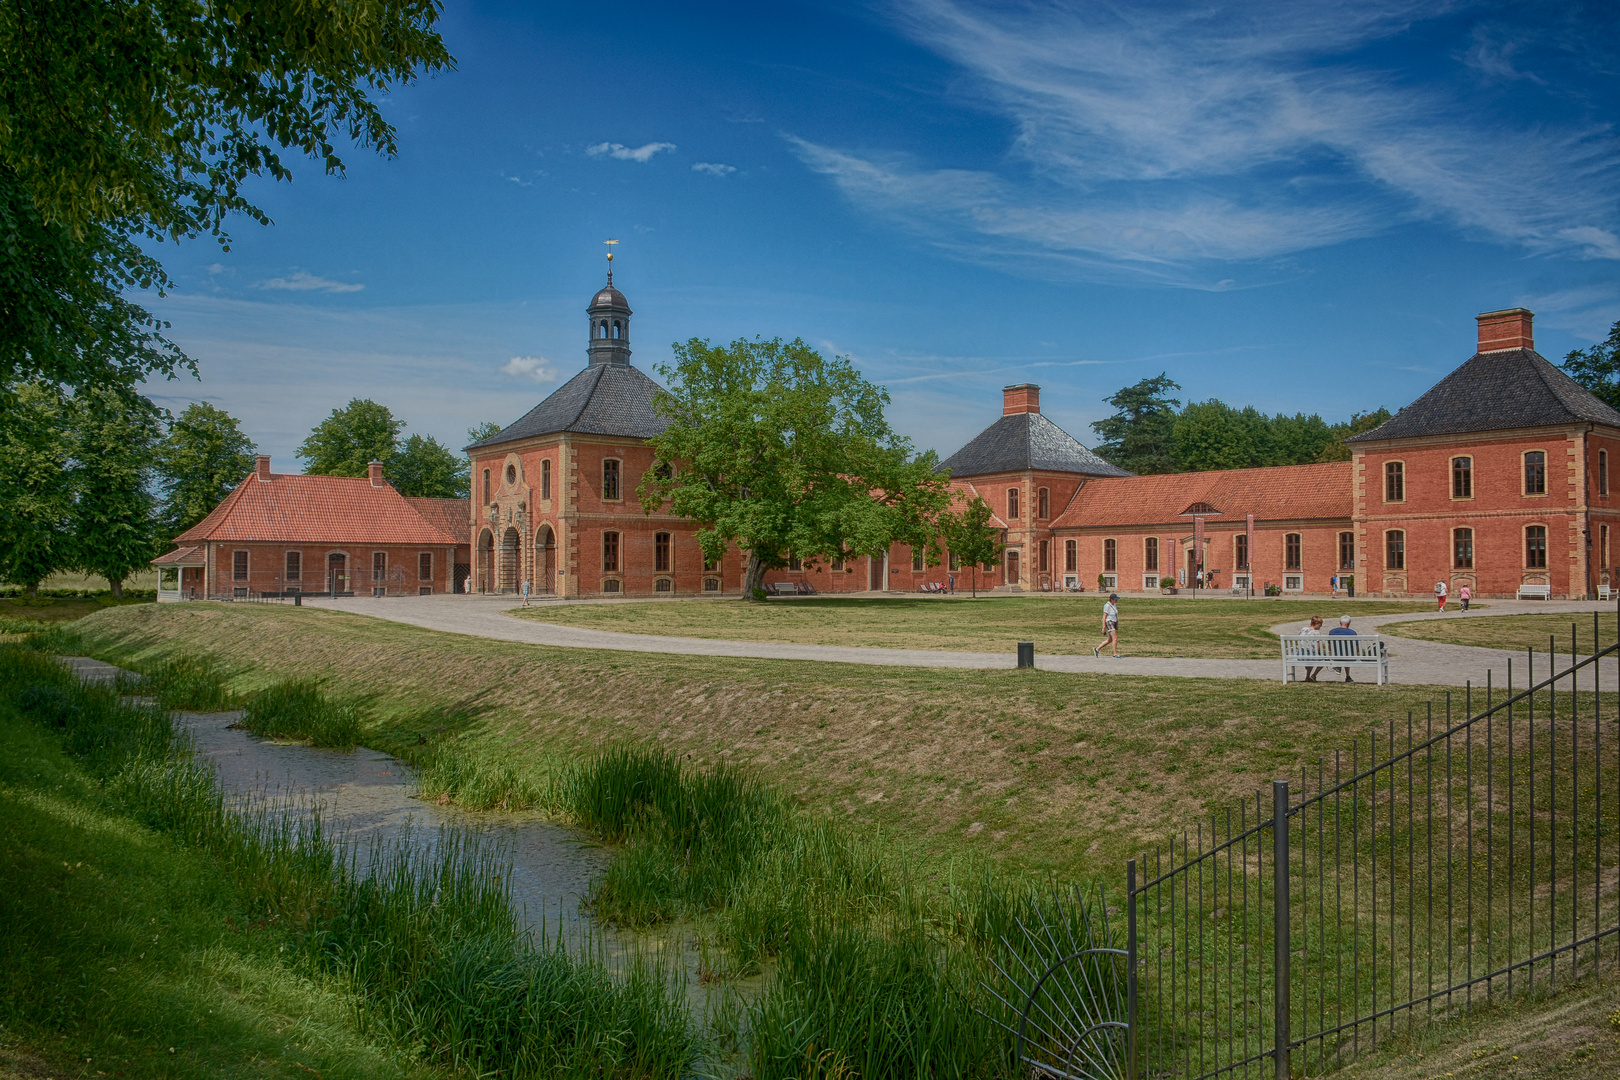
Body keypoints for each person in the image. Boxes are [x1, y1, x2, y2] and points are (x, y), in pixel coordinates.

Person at [1328, 615, 1358, 682]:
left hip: (1336, 656)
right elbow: (1356, 649)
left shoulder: (1332, 632)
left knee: (1342, 653)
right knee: (1347, 654)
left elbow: (1330, 648)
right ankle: (1347, 676)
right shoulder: (1353, 633)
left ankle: (1338, 666)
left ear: (1340, 622)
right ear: (1349, 623)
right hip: (1348, 656)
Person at [1299, 615, 1325, 682]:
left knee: (1311, 655)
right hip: (1309, 655)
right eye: (1320, 624)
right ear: (1317, 623)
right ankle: (1314, 675)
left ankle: (1307, 677)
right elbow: (1318, 647)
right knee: (1325, 659)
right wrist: (1321, 652)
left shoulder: (1303, 629)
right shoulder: (1316, 632)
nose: (1321, 626)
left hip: (1300, 654)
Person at [1094, 593, 1120, 658]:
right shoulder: (1107, 606)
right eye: (1115, 599)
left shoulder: (1114, 605)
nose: (1116, 601)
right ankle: (1115, 654)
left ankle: (1097, 649)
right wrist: (1104, 627)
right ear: (1112, 599)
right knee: (1115, 638)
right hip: (1109, 622)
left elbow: (1115, 614)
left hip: (1113, 622)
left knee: (1110, 640)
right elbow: (1104, 617)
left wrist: (1117, 622)